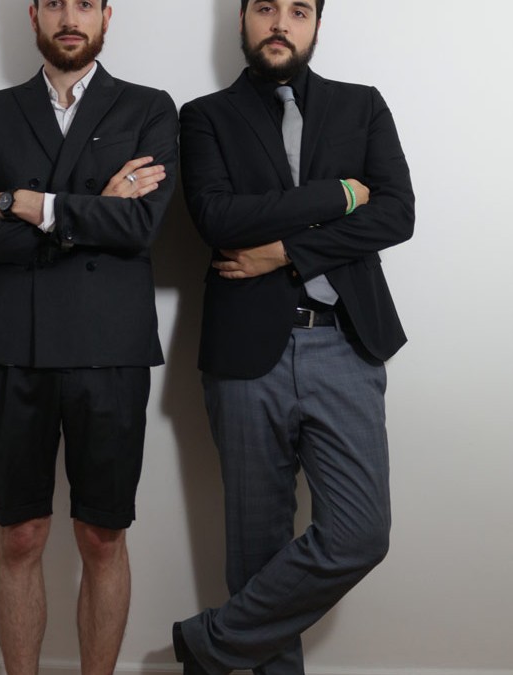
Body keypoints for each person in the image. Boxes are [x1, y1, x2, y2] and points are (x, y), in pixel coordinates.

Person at [172, 1, 414, 674]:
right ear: (243, 20)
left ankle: (207, 646)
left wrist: (285, 252)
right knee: (257, 551)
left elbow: (397, 213)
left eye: (298, 10)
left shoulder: (362, 106)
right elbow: (218, 218)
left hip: (346, 343)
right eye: (266, 8)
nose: (281, 22)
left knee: (360, 533)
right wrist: (341, 195)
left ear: (316, 25)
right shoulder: (204, 116)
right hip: (246, 355)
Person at [0, 1, 178, 674]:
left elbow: (141, 227)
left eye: (84, 3)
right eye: (54, 2)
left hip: (111, 349)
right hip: (12, 346)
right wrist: (93, 209)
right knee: (20, 533)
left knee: (102, 536)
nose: (69, 16)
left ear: (107, 15)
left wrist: (26, 203)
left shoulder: (149, 108)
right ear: (33, 16)